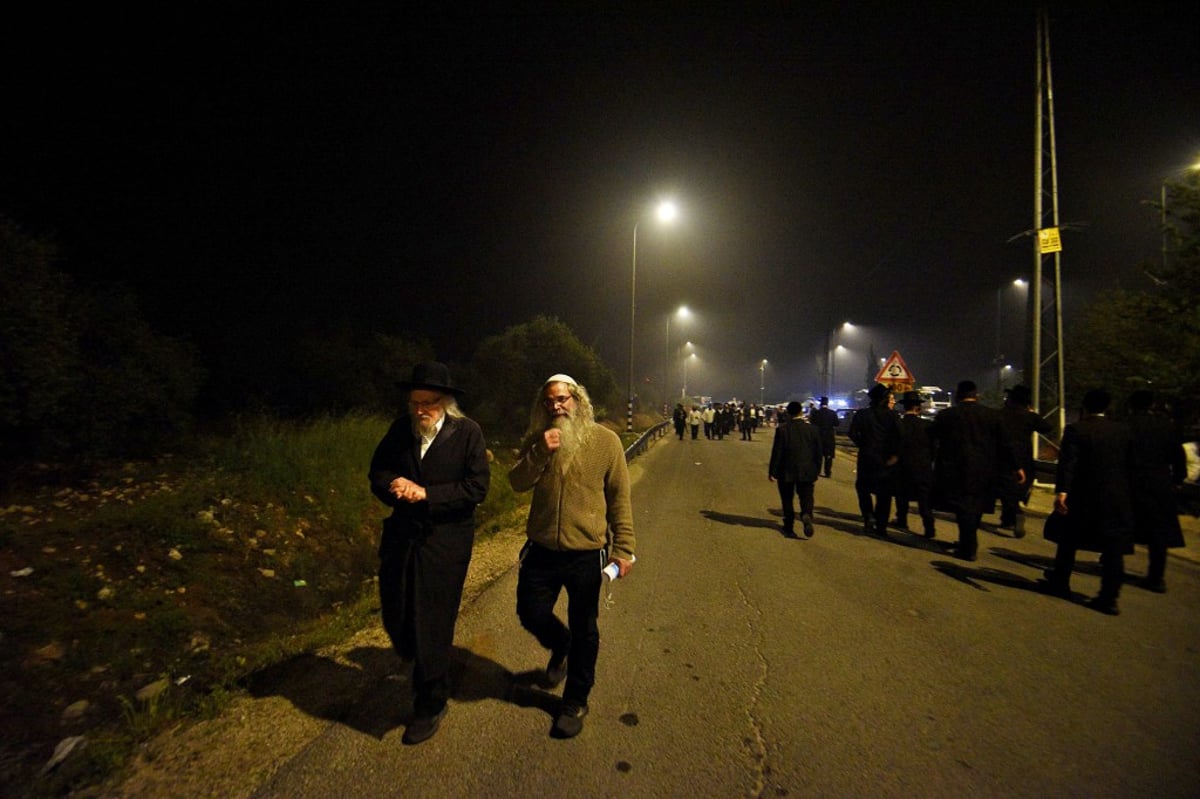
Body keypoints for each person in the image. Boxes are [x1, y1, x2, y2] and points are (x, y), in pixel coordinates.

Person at [368, 361, 491, 745]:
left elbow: (476, 489)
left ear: (446, 402)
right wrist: (394, 485)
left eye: (429, 402)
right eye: (416, 401)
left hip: (445, 544)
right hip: (402, 539)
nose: (421, 409)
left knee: (432, 625)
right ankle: (419, 658)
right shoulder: (400, 430)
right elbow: (378, 471)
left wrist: (428, 495)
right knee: (398, 615)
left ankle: (430, 702)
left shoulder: (467, 433)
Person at [508, 374, 636, 738]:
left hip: (586, 554)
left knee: (586, 630)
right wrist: (540, 452)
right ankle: (559, 645)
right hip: (541, 550)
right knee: (529, 612)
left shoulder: (606, 442)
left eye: (563, 399)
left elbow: (619, 498)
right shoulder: (538, 439)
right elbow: (516, 482)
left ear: (578, 401)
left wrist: (623, 547)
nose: (556, 406)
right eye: (549, 401)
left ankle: (575, 700)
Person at [1042, 388, 1134, 615]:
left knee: (1069, 540)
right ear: (1108, 406)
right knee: (1113, 549)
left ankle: (1060, 582)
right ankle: (1109, 598)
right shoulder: (1123, 431)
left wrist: (1062, 492)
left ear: (1085, 406)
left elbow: (1068, 464)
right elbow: (1131, 464)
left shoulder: (1076, 430)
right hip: (1116, 496)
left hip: (1084, 494)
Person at [930, 380, 1018, 561]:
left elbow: (932, 438)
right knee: (975, 507)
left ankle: (968, 546)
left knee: (963, 509)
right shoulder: (992, 416)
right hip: (985, 470)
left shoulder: (947, 415)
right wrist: (1016, 467)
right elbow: (1006, 444)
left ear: (957, 396)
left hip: (955, 470)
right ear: (975, 395)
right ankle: (967, 541)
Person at [1126, 389, 1186, 593]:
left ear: (1131, 405)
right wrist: (1178, 479)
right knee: (1158, 535)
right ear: (1151, 405)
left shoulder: (1125, 424)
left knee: (1120, 525)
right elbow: (1178, 456)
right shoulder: (1166, 427)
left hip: (1130, 482)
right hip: (1159, 484)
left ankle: (1111, 564)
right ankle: (1156, 577)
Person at [997, 384, 1053, 537]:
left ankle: (1014, 514)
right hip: (1024, 459)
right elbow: (1047, 427)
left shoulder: (1001, 414)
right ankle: (1009, 518)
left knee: (1005, 490)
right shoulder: (1029, 416)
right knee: (1016, 489)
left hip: (1003, 458)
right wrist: (1033, 414)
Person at [849, 384, 900, 537]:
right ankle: (881, 526)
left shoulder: (862, 414)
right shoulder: (892, 416)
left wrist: (863, 444)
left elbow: (852, 433)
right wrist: (894, 454)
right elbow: (900, 436)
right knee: (884, 494)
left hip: (866, 457)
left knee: (863, 488)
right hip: (886, 460)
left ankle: (868, 516)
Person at [769, 400, 823, 537]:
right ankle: (806, 514)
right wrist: (817, 470)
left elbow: (777, 452)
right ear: (800, 412)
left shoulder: (782, 430)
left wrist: (772, 472)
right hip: (807, 470)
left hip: (786, 470)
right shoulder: (813, 429)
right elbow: (818, 452)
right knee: (806, 496)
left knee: (787, 498)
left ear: (788, 413)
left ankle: (789, 525)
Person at [893, 390, 936, 538]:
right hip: (923, 466)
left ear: (904, 408)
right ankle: (929, 527)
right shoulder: (927, 425)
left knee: (902, 495)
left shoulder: (899, 424)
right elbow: (934, 446)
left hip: (903, 465)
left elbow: (894, 445)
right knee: (924, 499)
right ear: (918, 407)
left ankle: (902, 520)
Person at [810, 396, 840, 478]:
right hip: (829, 437)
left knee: (818, 455)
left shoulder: (816, 413)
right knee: (828, 456)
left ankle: (817, 471)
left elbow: (812, 423)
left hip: (818, 436)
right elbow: (837, 423)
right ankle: (828, 472)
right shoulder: (832, 413)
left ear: (820, 404)